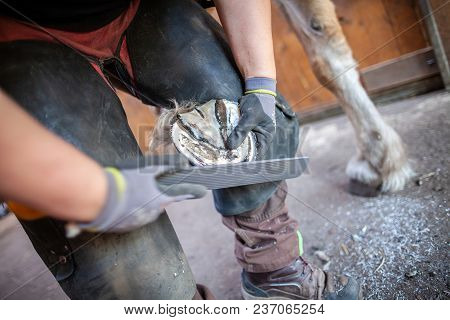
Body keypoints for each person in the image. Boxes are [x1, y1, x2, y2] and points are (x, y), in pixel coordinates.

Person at [0, 0, 360, 299]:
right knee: (124, 261)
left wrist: (261, 86)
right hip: (17, 33)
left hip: (140, 7)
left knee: (243, 116)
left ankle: (278, 277)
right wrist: (99, 197)